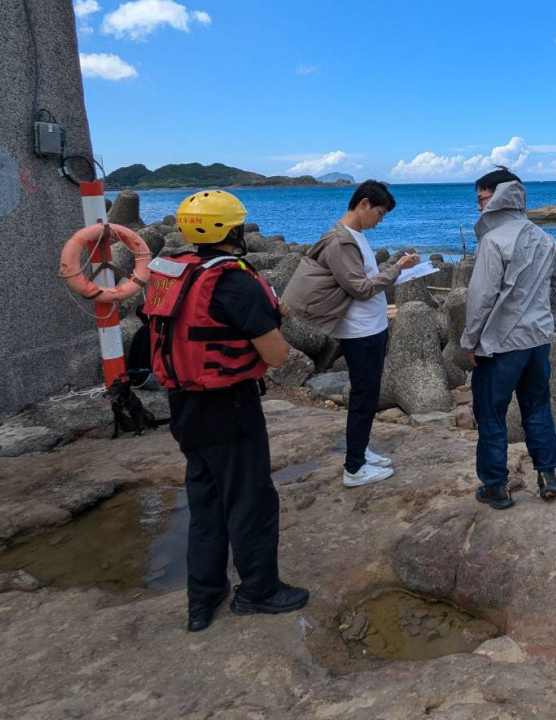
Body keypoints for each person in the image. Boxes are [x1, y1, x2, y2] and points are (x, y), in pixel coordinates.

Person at [143, 189, 308, 633]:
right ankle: (259, 592)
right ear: (233, 230)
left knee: (206, 503)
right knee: (250, 502)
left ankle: (203, 600)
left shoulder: (176, 274)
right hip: (230, 408)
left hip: (184, 408)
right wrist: (276, 323)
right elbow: (275, 356)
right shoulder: (235, 280)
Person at [282, 180, 420, 488]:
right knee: (363, 397)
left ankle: (361, 450)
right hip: (361, 332)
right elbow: (360, 288)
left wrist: (396, 269)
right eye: (380, 213)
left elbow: (363, 279)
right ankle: (354, 468)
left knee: (367, 396)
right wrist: (397, 268)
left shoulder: (354, 236)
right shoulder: (341, 242)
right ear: (364, 204)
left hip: (371, 326)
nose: (380, 220)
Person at [461, 168, 556, 510]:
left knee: (491, 413)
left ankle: (496, 486)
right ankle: (547, 476)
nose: (479, 207)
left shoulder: (493, 241)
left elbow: (480, 299)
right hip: (537, 342)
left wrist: (470, 341)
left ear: (497, 197)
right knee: (537, 407)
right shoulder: (544, 237)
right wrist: (548, 321)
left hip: (502, 345)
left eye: (482, 199)